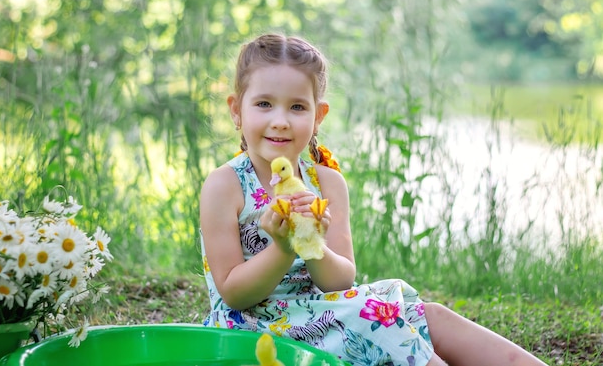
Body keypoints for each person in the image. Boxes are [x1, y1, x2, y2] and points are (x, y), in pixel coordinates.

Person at [199, 33, 548, 366]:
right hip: (253, 328)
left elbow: (339, 282)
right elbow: (233, 294)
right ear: (236, 111)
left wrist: (312, 245)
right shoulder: (225, 185)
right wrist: (283, 248)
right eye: (263, 104)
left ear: (318, 116)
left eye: (297, 107)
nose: (280, 121)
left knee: (429, 315)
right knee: (373, 317)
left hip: (320, 310)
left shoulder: (326, 182)